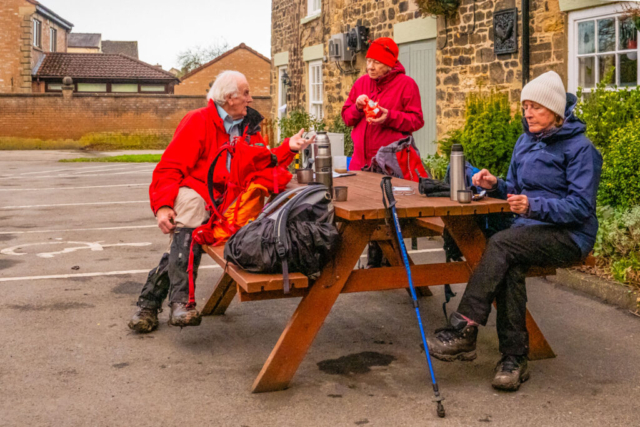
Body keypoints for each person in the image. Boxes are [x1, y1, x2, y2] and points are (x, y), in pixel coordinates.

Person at [425, 71, 603, 391]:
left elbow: (581, 207)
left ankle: (465, 328)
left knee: (502, 244)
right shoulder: (524, 142)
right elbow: (516, 190)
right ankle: (514, 359)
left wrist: (533, 206)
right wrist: (496, 185)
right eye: (525, 107)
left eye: (536, 107)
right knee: (509, 261)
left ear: (556, 111)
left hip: (570, 235)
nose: (528, 113)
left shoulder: (581, 149)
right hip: (528, 231)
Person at [128, 70, 313, 333]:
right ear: (229, 98)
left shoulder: (249, 127)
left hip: (229, 203)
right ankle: (182, 303)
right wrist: (163, 206)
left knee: (186, 242)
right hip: (199, 195)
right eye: (246, 94)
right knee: (191, 216)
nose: (251, 99)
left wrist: (289, 148)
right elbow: (169, 167)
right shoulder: (198, 121)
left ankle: (148, 303)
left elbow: (261, 160)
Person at [341, 37, 425, 268]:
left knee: (387, 215)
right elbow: (347, 117)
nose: (370, 66)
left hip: (389, 163)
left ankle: (388, 263)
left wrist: (391, 117)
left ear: (389, 64)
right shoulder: (361, 84)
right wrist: (357, 107)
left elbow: (417, 120)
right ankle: (376, 261)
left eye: (376, 62)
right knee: (363, 214)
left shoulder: (406, 84)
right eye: (368, 60)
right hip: (360, 162)